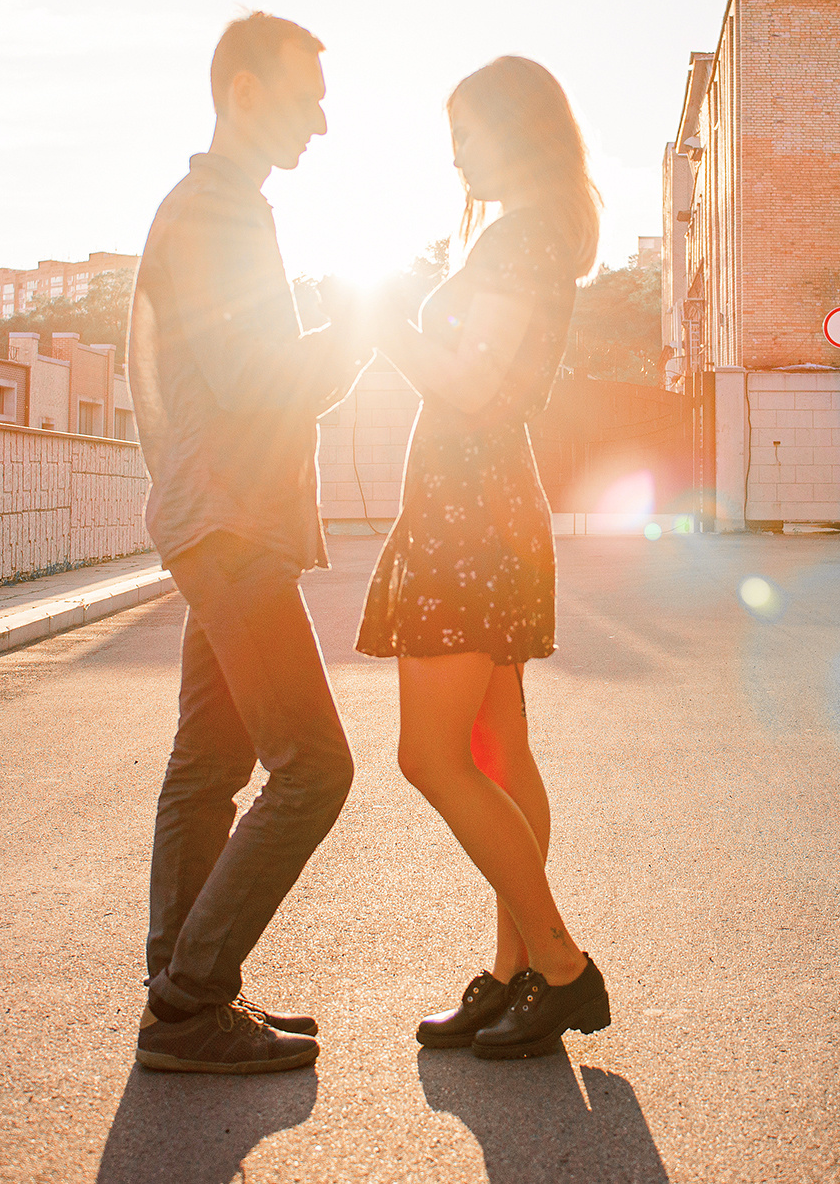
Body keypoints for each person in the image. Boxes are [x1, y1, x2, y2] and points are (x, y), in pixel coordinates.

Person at [356, 55, 613, 1060]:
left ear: (516, 129)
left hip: (469, 522)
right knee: (500, 752)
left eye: (466, 130)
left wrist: (388, 325)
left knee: (431, 755)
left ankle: (558, 965)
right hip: (482, 510)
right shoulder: (533, 234)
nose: (454, 151)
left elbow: (472, 386)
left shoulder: (521, 237)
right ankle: (513, 976)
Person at [129, 12, 371, 1075]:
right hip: (230, 524)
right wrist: (362, 331)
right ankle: (188, 1000)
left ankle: (182, 991)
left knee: (211, 760)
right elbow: (261, 380)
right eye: (306, 95)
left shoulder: (216, 209)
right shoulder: (219, 213)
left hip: (215, 517)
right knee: (314, 768)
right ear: (240, 90)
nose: (322, 119)